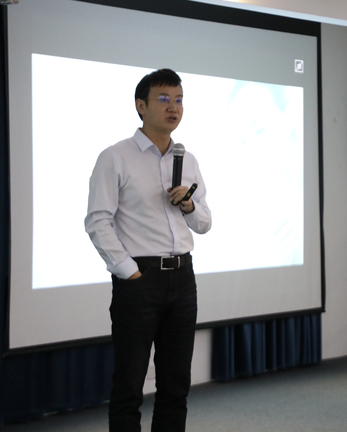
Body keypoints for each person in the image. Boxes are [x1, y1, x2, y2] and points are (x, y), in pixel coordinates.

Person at [85, 68, 212, 432]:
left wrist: (188, 205)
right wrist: (129, 271)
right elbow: (98, 221)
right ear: (141, 106)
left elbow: (204, 223)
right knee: (129, 385)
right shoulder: (115, 157)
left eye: (179, 100)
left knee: (176, 385)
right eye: (164, 99)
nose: (174, 107)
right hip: (141, 280)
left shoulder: (187, 159)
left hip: (183, 279)